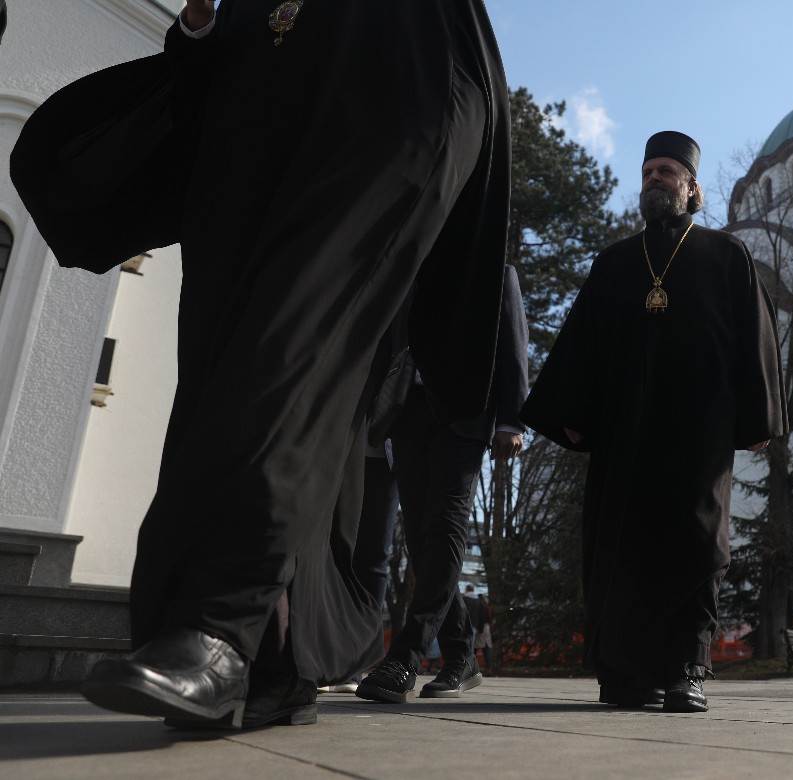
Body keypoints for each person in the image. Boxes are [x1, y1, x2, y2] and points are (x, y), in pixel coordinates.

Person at [11, 0, 509, 729]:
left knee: (283, 357)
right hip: (249, 166)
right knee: (229, 385)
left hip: (383, 129)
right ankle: (277, 663)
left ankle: (218, 631)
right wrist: (203, 31)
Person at [520, 131, 788, 713]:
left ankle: (687, 668)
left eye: (668, 171)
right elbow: (581, 345)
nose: (655, 180)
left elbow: (756, 341)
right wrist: (569, 412)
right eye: (648, 172)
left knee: (695, 543)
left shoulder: (726, 255)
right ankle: (625, 673)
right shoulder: (615, 262)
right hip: (624, 432)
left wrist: (758, 414)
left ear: (692, 188)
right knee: (620, 548)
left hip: (699, 431)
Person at [357, 265, 528, 702]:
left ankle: (406, 656)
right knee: (419, 537)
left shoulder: (496, 271)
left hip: (466, 416)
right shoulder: (409, 264)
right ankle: (460, 656)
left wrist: (512, 419)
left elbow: (513, 343)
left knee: (447, 525)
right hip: (408, 415)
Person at [475, 594, 494, 671]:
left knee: (474, 648)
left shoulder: (480, 607)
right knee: (487, 648)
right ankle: (489, 667)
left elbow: (481, 619)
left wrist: (480, 629)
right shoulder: (488, 607)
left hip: (481, 628)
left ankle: (472, 668)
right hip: (487, 629)